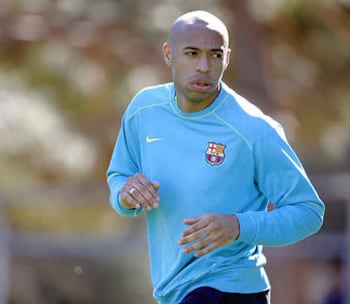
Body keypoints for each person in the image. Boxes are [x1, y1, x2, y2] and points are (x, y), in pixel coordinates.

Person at [106, 10, 324, 304]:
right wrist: (125, 195)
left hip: (230, 289)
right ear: (169, 54)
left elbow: (308, 211)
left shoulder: (254, 129)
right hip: (174, 290)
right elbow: (119, 176)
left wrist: (238, 226)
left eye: (215, 55)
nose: (204, 66)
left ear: (228, 58)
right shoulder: (143, 109)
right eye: (192, 53)